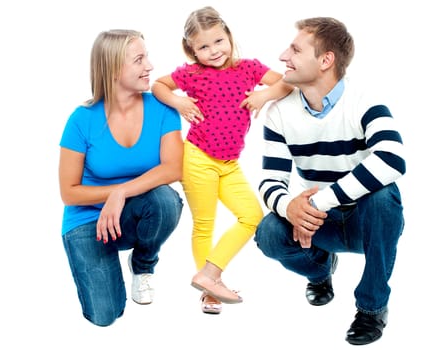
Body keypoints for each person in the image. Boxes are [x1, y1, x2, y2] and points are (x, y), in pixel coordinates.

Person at [254, 17, 406, 345]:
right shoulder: (279, 112)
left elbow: (393, 159)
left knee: (384, 197)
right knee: (268, 233)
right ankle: (321, 271)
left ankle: (372, 307)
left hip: (366, 219)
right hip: (320, 224)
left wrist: (318, 201)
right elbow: (269, 182)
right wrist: (290, 208)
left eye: (295, 49)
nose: (283, 56)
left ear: (325, 60)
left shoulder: (365, 100)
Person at [152, 6, 293, 315]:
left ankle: (208, 275)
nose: (213, 51)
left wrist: (262, 95)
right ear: (192, 49)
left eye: (218, 41)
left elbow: (287, 82)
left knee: (252, 216)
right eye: (203, 46)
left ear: (229, 36)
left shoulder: (248, 68)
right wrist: (177, 100)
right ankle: (209, 291)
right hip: (198, 158)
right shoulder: (192, 74)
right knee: (204, 224)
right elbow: (158, 85)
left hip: (230, 164)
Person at [58, 29, 184, 327]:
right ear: (114, 69)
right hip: (88, 221)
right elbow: (69, 193)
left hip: (135, 212)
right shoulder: (82, 119)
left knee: (166, 200)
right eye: (139, 59)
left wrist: (120, 194)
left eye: (147, 56)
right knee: (105, 316)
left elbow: (174, 169)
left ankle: (143, 265)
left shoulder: (163, 108)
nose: (150, 66)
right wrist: (113, 195)